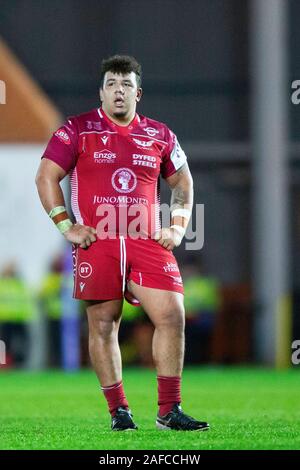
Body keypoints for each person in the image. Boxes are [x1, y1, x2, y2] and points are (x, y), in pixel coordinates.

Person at [35, 55, 209, 432]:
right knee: (103, 326)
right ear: (101, 91)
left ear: (138, 92)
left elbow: (183, 185)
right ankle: (119, 412)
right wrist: (66, 226)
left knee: (172, 315)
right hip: (100, 242)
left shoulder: (160, 135)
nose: (118, 91)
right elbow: (46, 177)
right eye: (112, 84)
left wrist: (178, 229)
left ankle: (169, 410)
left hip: (146, 241)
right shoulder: (76, 130)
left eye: (126, 84)